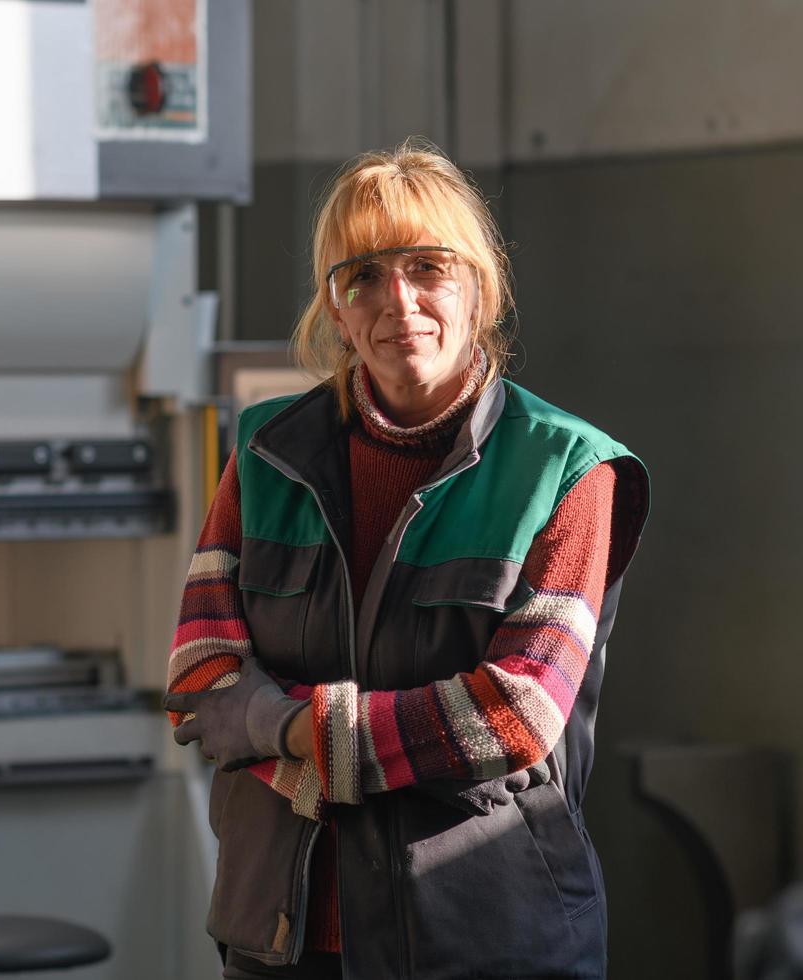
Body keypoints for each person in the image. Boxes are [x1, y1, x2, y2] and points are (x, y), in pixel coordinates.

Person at [163, 140, 649, 980]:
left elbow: (512, 715)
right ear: (335, 309)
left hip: (481, 941)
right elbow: (198, 679)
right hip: (282, 937)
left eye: (429, 266)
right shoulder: (264, 453)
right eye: (362, 277)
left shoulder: (567, 471)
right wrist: (380, 743)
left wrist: (285, 729)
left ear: (479, 287)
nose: (399, 300)